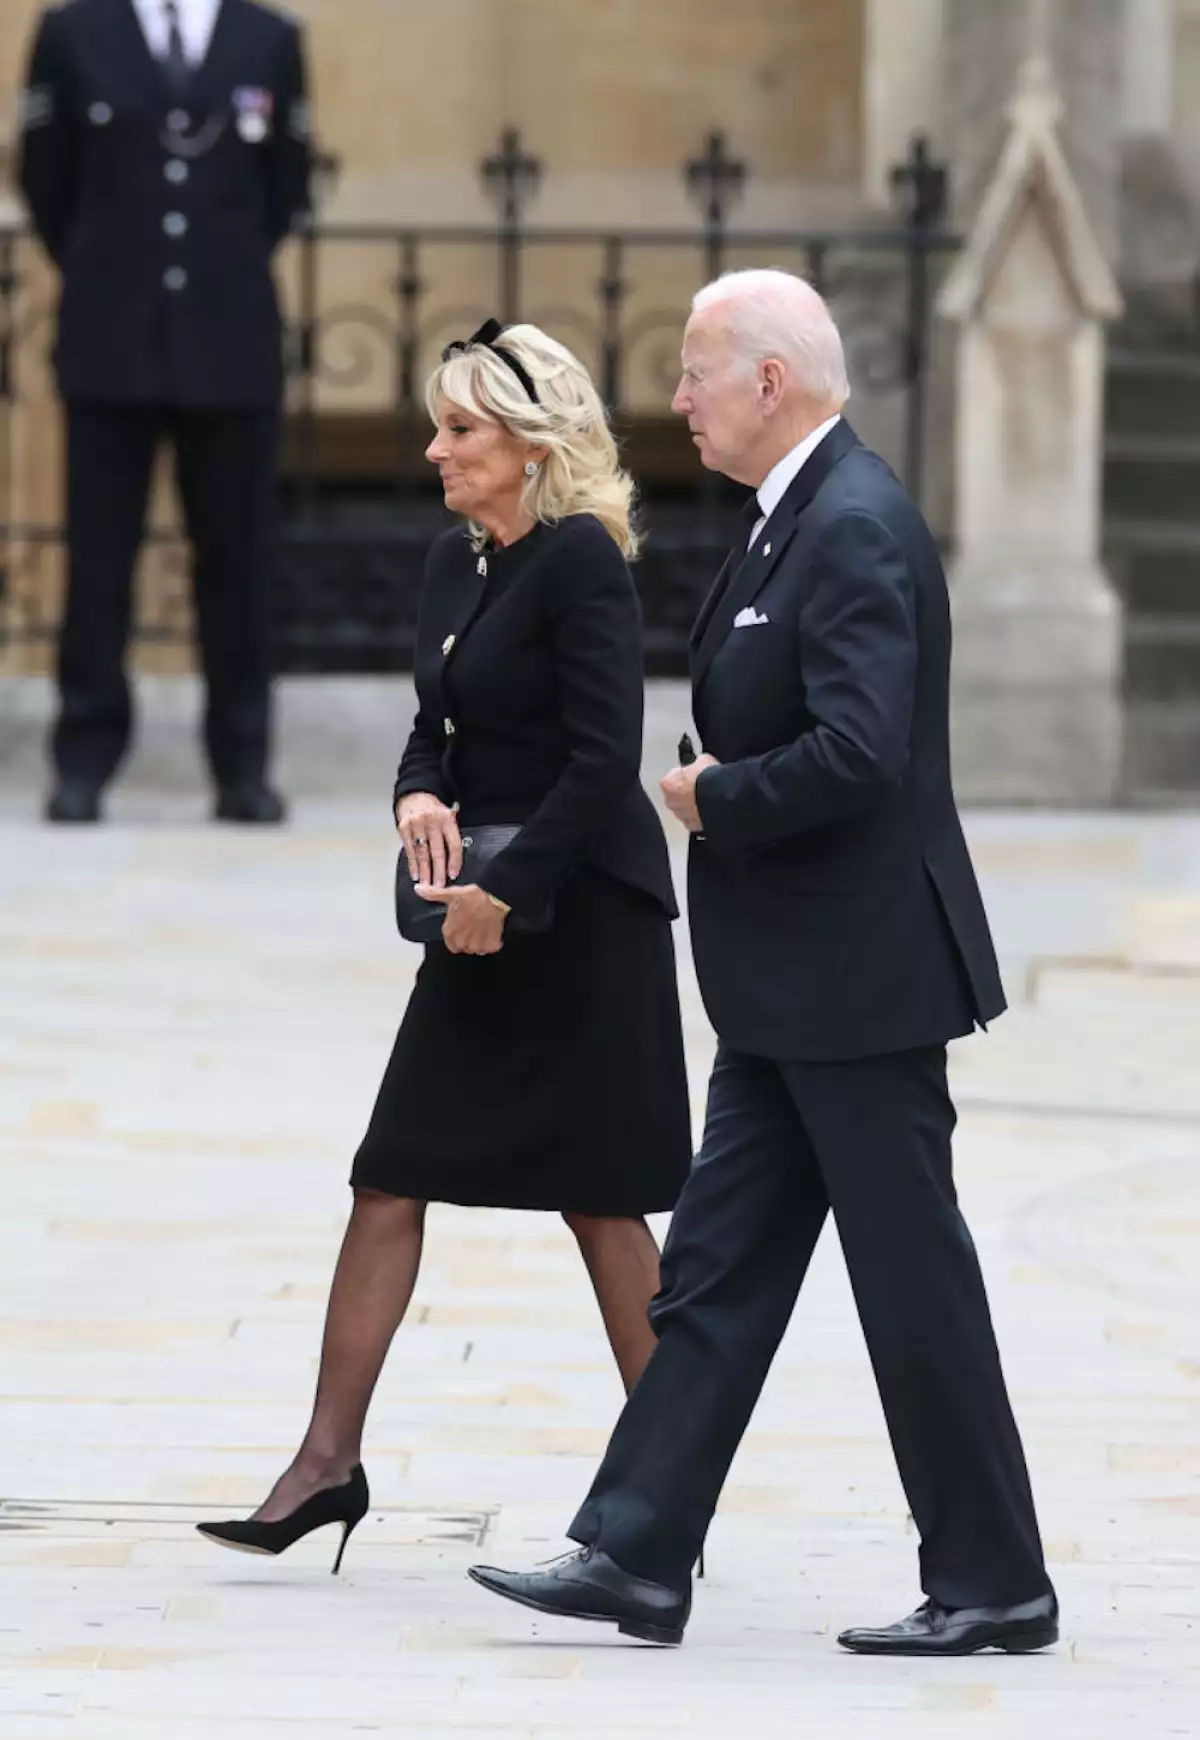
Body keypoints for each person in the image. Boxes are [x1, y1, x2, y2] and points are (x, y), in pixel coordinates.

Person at [468, 270, 1059, 1654]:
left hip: (858, 984)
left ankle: (995, 1584)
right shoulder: (795, 516)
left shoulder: (850, 524)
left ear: (769, 382)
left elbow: (862, 748)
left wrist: (712, 799)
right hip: (791, 987)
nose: (676, 398)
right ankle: (635, 1554)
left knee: (914, 1286)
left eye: (695, 373)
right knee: (718, 1276)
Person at [195, 319, 693, 1571]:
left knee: (601, 1203)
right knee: (389, 1172)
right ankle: (324, 1467)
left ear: (531, 447)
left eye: (459, 430)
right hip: (481, 916)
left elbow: (601, 764)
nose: (433, 451)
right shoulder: (454, 560)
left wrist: (505, 894)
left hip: (583, 923)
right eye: (436, 428)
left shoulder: (583, 562)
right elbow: (437, 728)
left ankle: (667, 1498)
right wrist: (419, 797)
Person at [17, 0, 312, 825]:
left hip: (231, 344)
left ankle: (241, 764)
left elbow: (281, 191)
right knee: (99, 562)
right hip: (111, 340)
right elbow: (48, 179)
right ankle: (84, 758)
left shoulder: (270, 39)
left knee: (239, 563)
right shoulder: (74, 32)